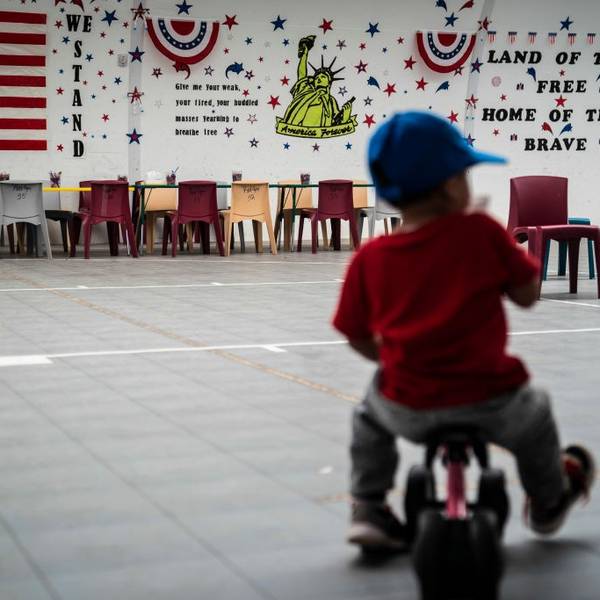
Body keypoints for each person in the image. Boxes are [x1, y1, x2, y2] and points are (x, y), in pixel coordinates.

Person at [332, 111, 595, 549]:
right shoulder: (480, 233)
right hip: (492, 399)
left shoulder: (370, 257)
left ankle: (368, 506)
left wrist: (391, 359)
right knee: (539, 412)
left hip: (408, 403)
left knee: (367, 418)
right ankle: (549, 500)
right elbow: (528, 294)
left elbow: (355, 334)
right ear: (453, 184)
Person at [281, 35, 354, 128]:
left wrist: (346, 116)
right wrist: (304, 55)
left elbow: (336, 123)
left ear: (329, 82)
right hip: (299, 134)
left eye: (323, 77)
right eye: (316, 78)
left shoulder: (331, 101)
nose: (318, 79)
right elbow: (302, 74)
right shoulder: (306, 91)